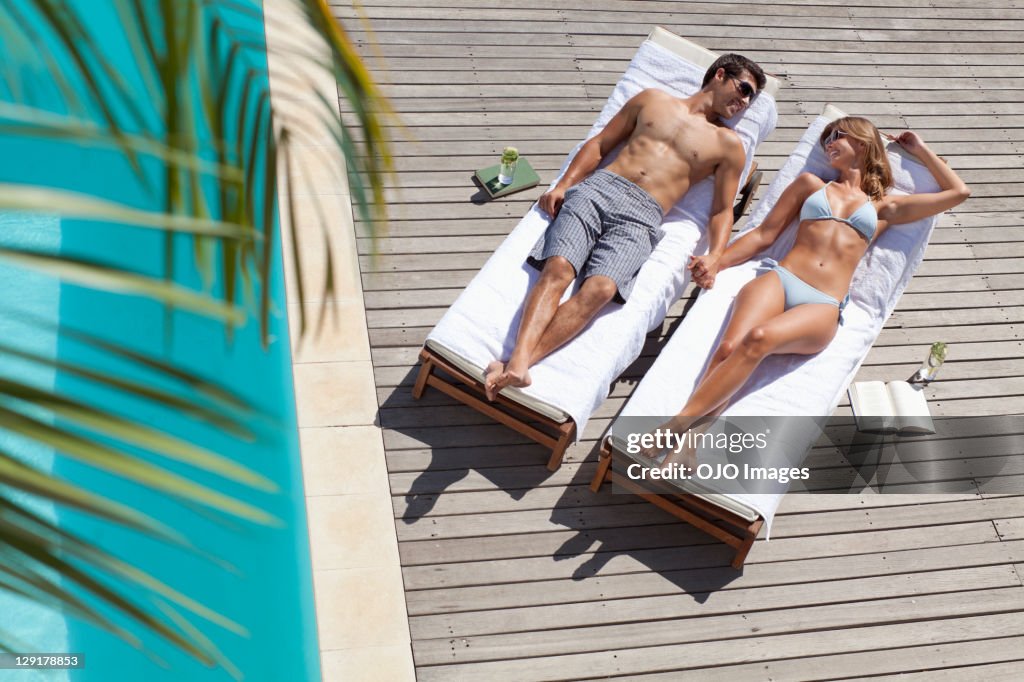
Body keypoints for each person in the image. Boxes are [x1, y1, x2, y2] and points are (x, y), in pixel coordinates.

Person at [483, 54, 767, 401]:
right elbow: (600, 144)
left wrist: (717, 256)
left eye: (751, 99)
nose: (744, 102)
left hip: (644, 216)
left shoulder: (729, 146)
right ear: (719, 75)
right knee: (558, 268)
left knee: (601, 290)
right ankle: (518, 366)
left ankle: (516, 363)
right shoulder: (652, 100)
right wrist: (564, 184)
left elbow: (722, 210)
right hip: (599, 190)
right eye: (744, 89)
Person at [663, 117, 970, 438]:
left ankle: (674, 428)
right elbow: (764, 235)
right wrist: (716, 261)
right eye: (826, 138)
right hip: (780, 279)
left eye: (838, 136)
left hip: (822, 304)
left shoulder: (884, 207)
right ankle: (687, 447)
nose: (829, 143)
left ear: (862, 144)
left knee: (759, 339)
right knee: (727, 349)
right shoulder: (811, 185)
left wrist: (919, 148)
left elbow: (959, 192)